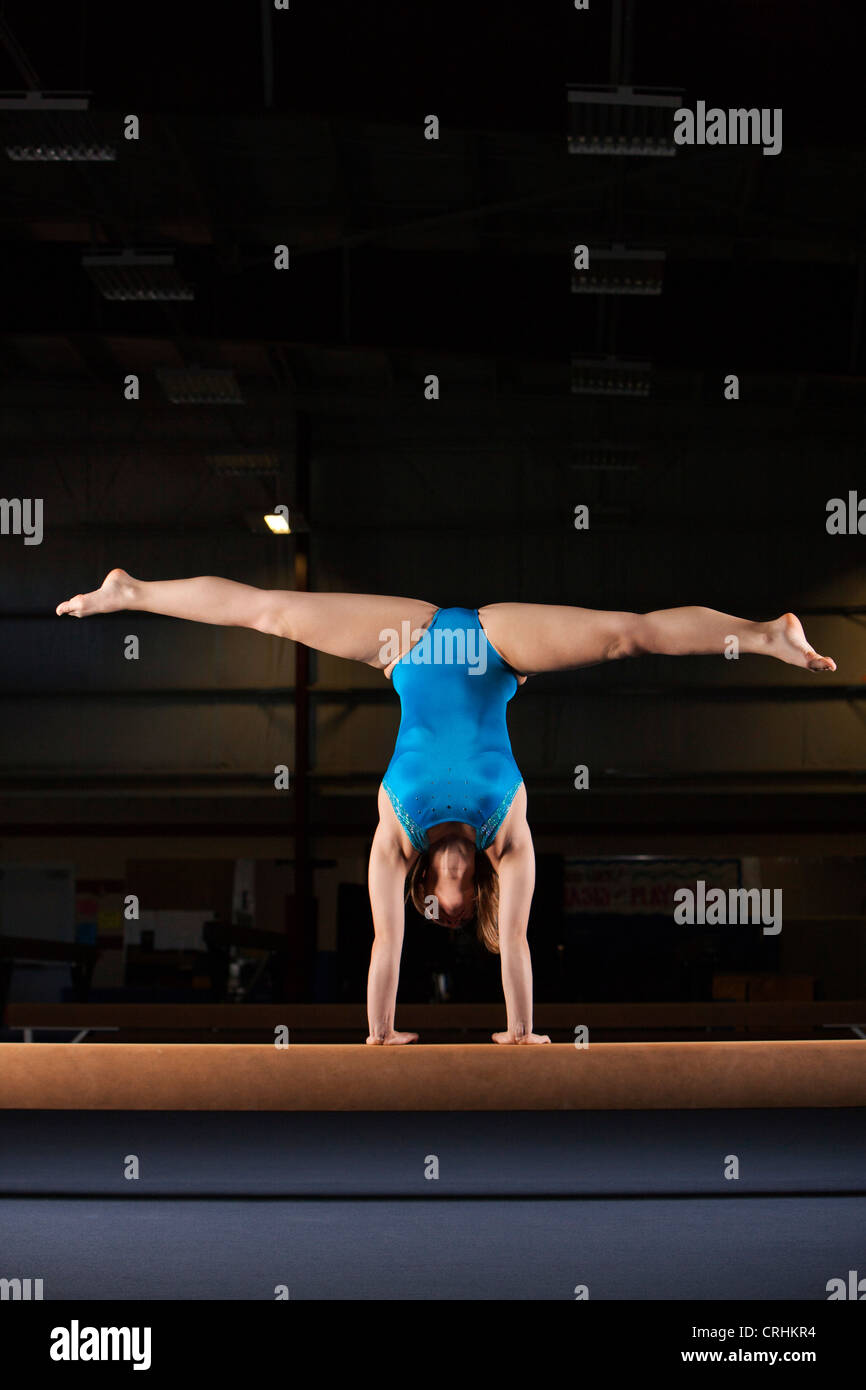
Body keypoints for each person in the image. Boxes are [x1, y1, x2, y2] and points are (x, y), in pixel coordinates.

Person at [57, 569, 836, 1046]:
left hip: (411, 640)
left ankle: (132, 592)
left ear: (427, 888)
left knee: (272, 612)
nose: (448, 902)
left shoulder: (394, 835)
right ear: (470, 896)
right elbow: (520, 942)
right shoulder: (509, 840)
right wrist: (522, 1032)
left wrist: (379, 1032)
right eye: (458, 911)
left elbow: (383, 949)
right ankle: (767, 634)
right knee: (624, 638)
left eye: (436, 904)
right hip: (497, 648)